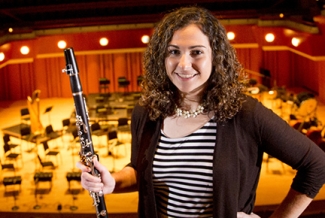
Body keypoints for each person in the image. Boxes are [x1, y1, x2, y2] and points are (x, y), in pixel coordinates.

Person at [77, 6, 325, 218]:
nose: (183, 64)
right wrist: (112, 182)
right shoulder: (147, 111)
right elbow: (140, 171)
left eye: (196, 52)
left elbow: (317, 165)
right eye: (174, 51)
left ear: (216, 57)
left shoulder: (245, 114)